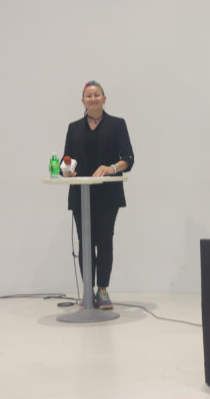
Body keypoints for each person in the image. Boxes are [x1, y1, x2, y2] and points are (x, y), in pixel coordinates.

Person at [61, 80, 134, 309]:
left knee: (104, 241)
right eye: (88, 95)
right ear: (82, 100)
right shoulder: (74, 128)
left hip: (107, 195)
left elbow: (128, 158)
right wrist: (67, 170)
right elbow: (66, 159)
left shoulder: (117, 124)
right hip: (81, 194)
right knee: (85, 242)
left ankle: (102, 290)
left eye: (97, 95)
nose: (93, 99)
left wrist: (111, 168)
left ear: (104, 98)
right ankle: (87, 291)